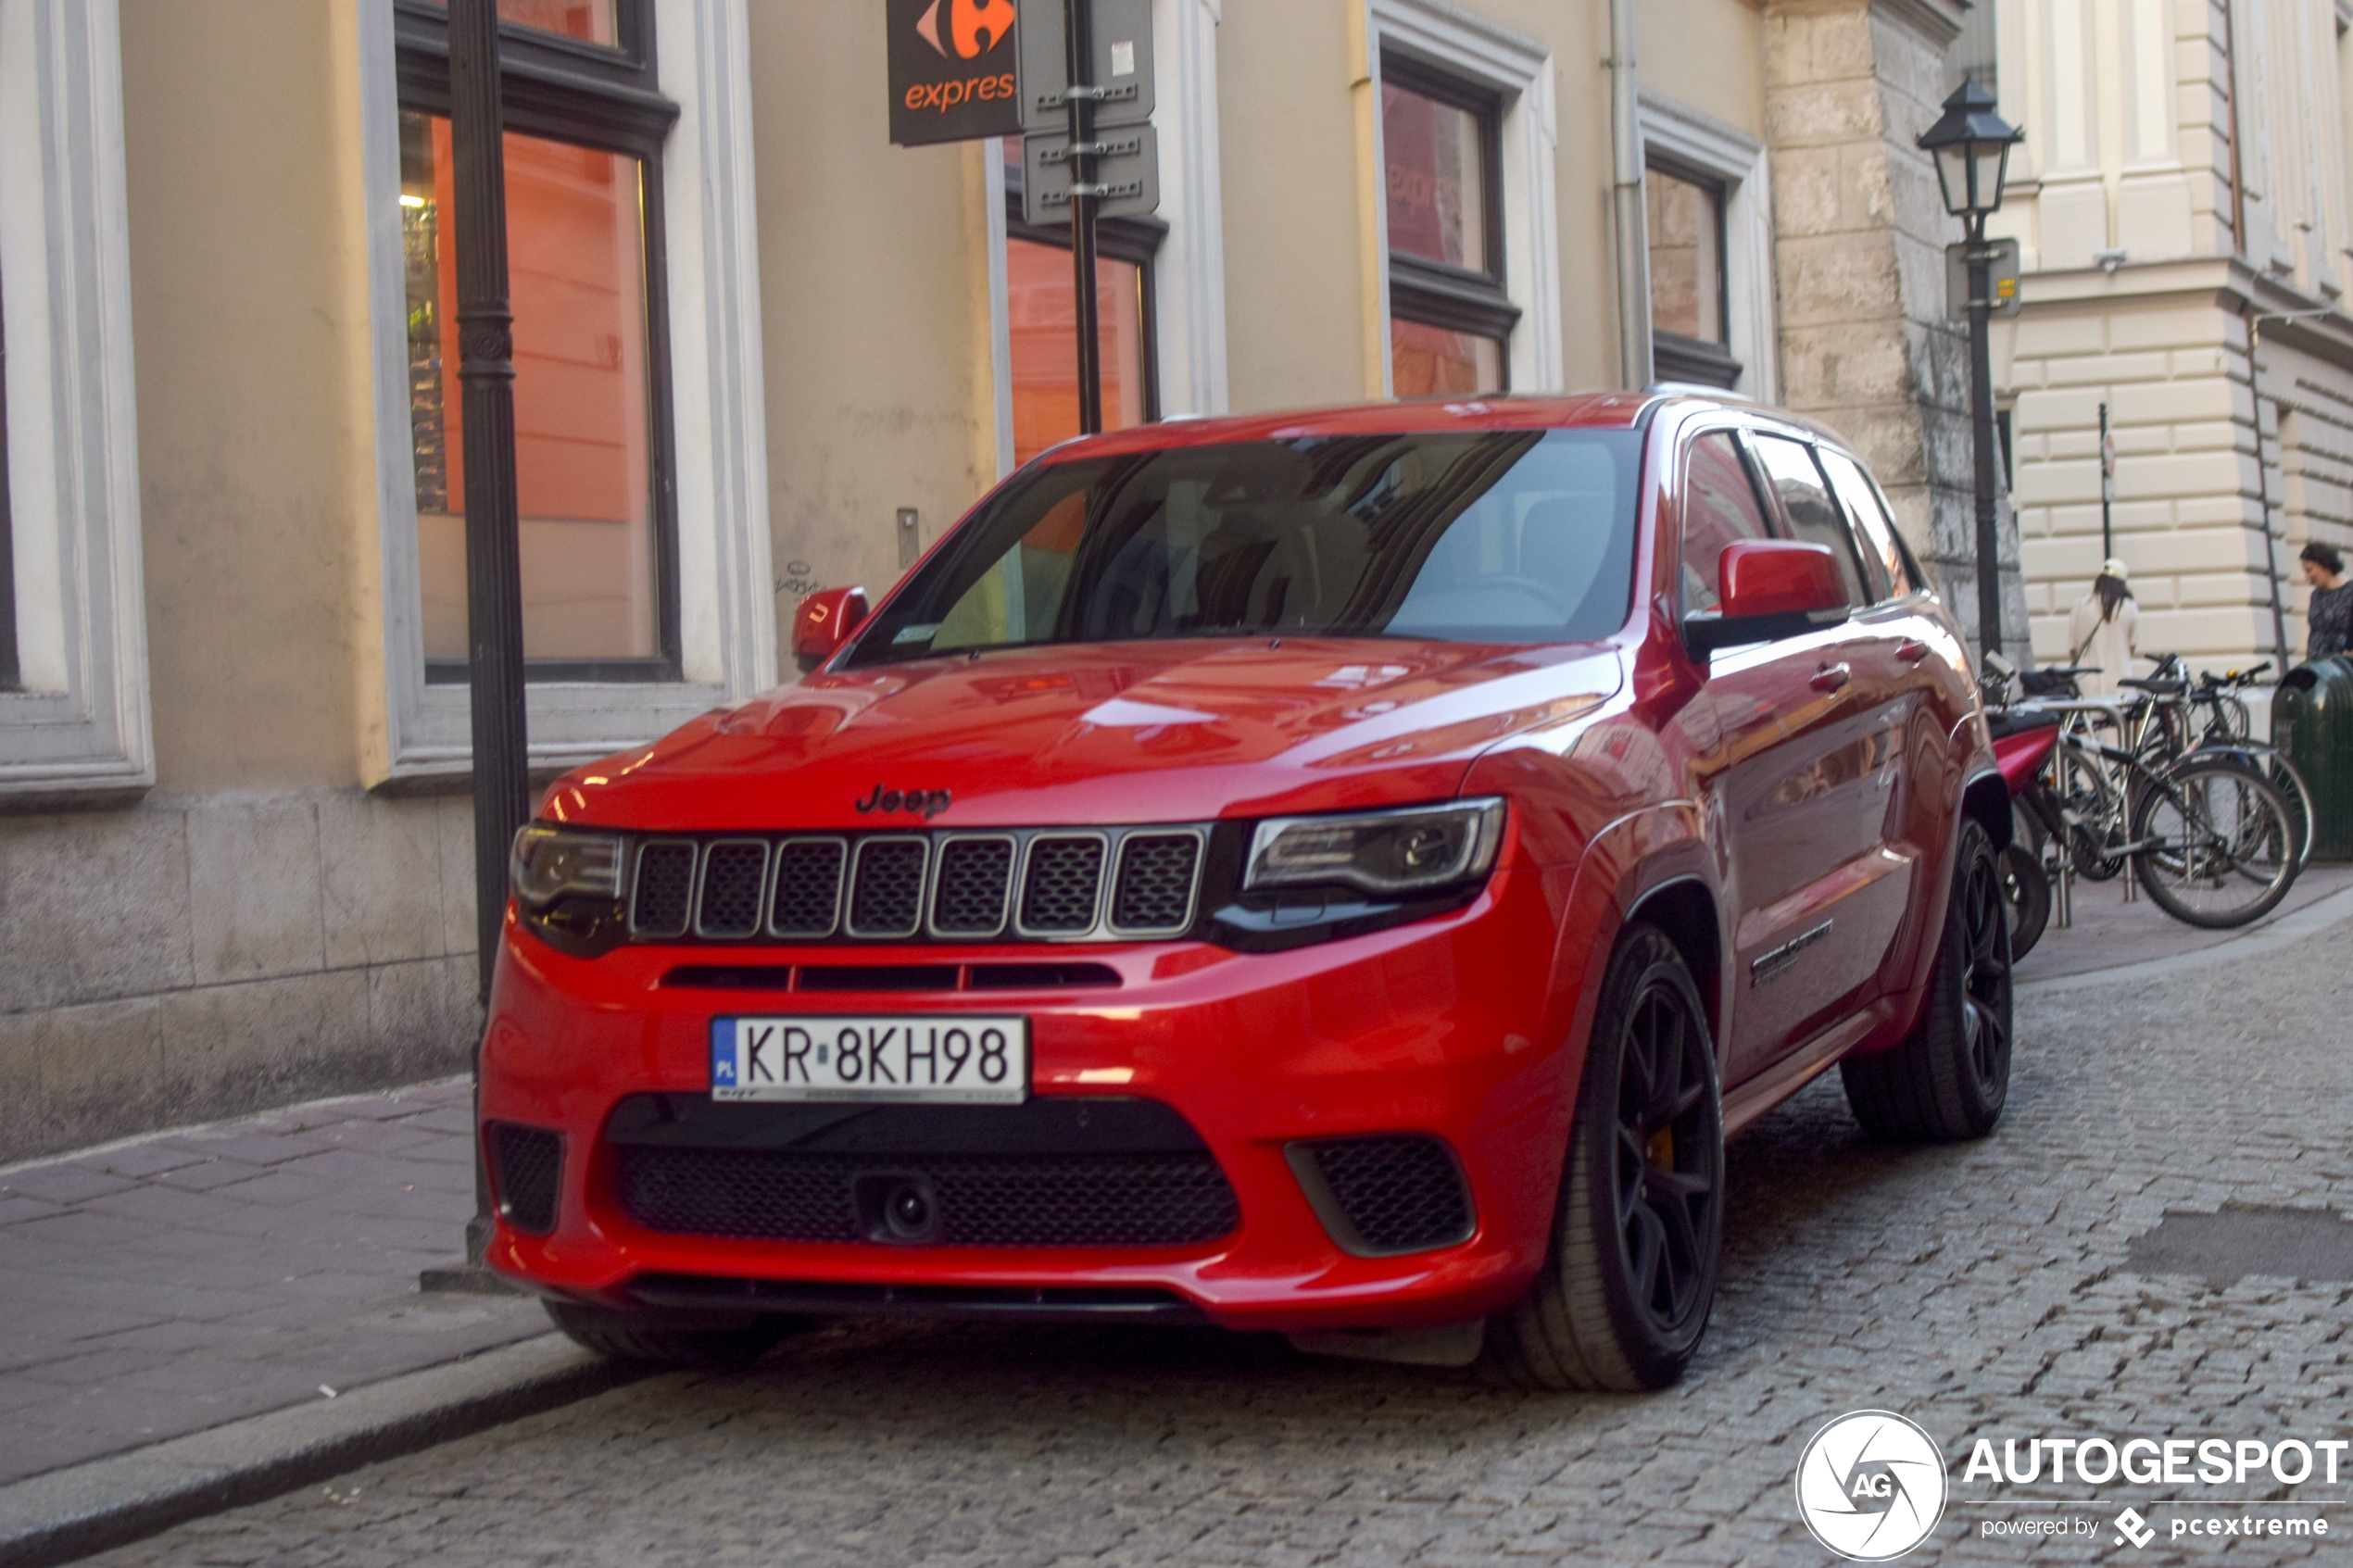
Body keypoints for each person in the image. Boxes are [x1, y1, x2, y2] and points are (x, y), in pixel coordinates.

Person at [2067, 558, 2139, 696]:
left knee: (2087, 717)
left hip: (2087, 684)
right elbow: (2131, 647)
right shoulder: (2129, 607)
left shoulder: (2081, 605)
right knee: (2120, 718)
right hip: (2121, 682)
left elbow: (2073, 649)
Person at [2301, 542, 2353, 660]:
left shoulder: (2350, 591)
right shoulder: (2316, 595)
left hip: (2343, 666)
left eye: (2309, 570)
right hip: (2317, 665)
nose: (2306, 577)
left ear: (2325, 566)